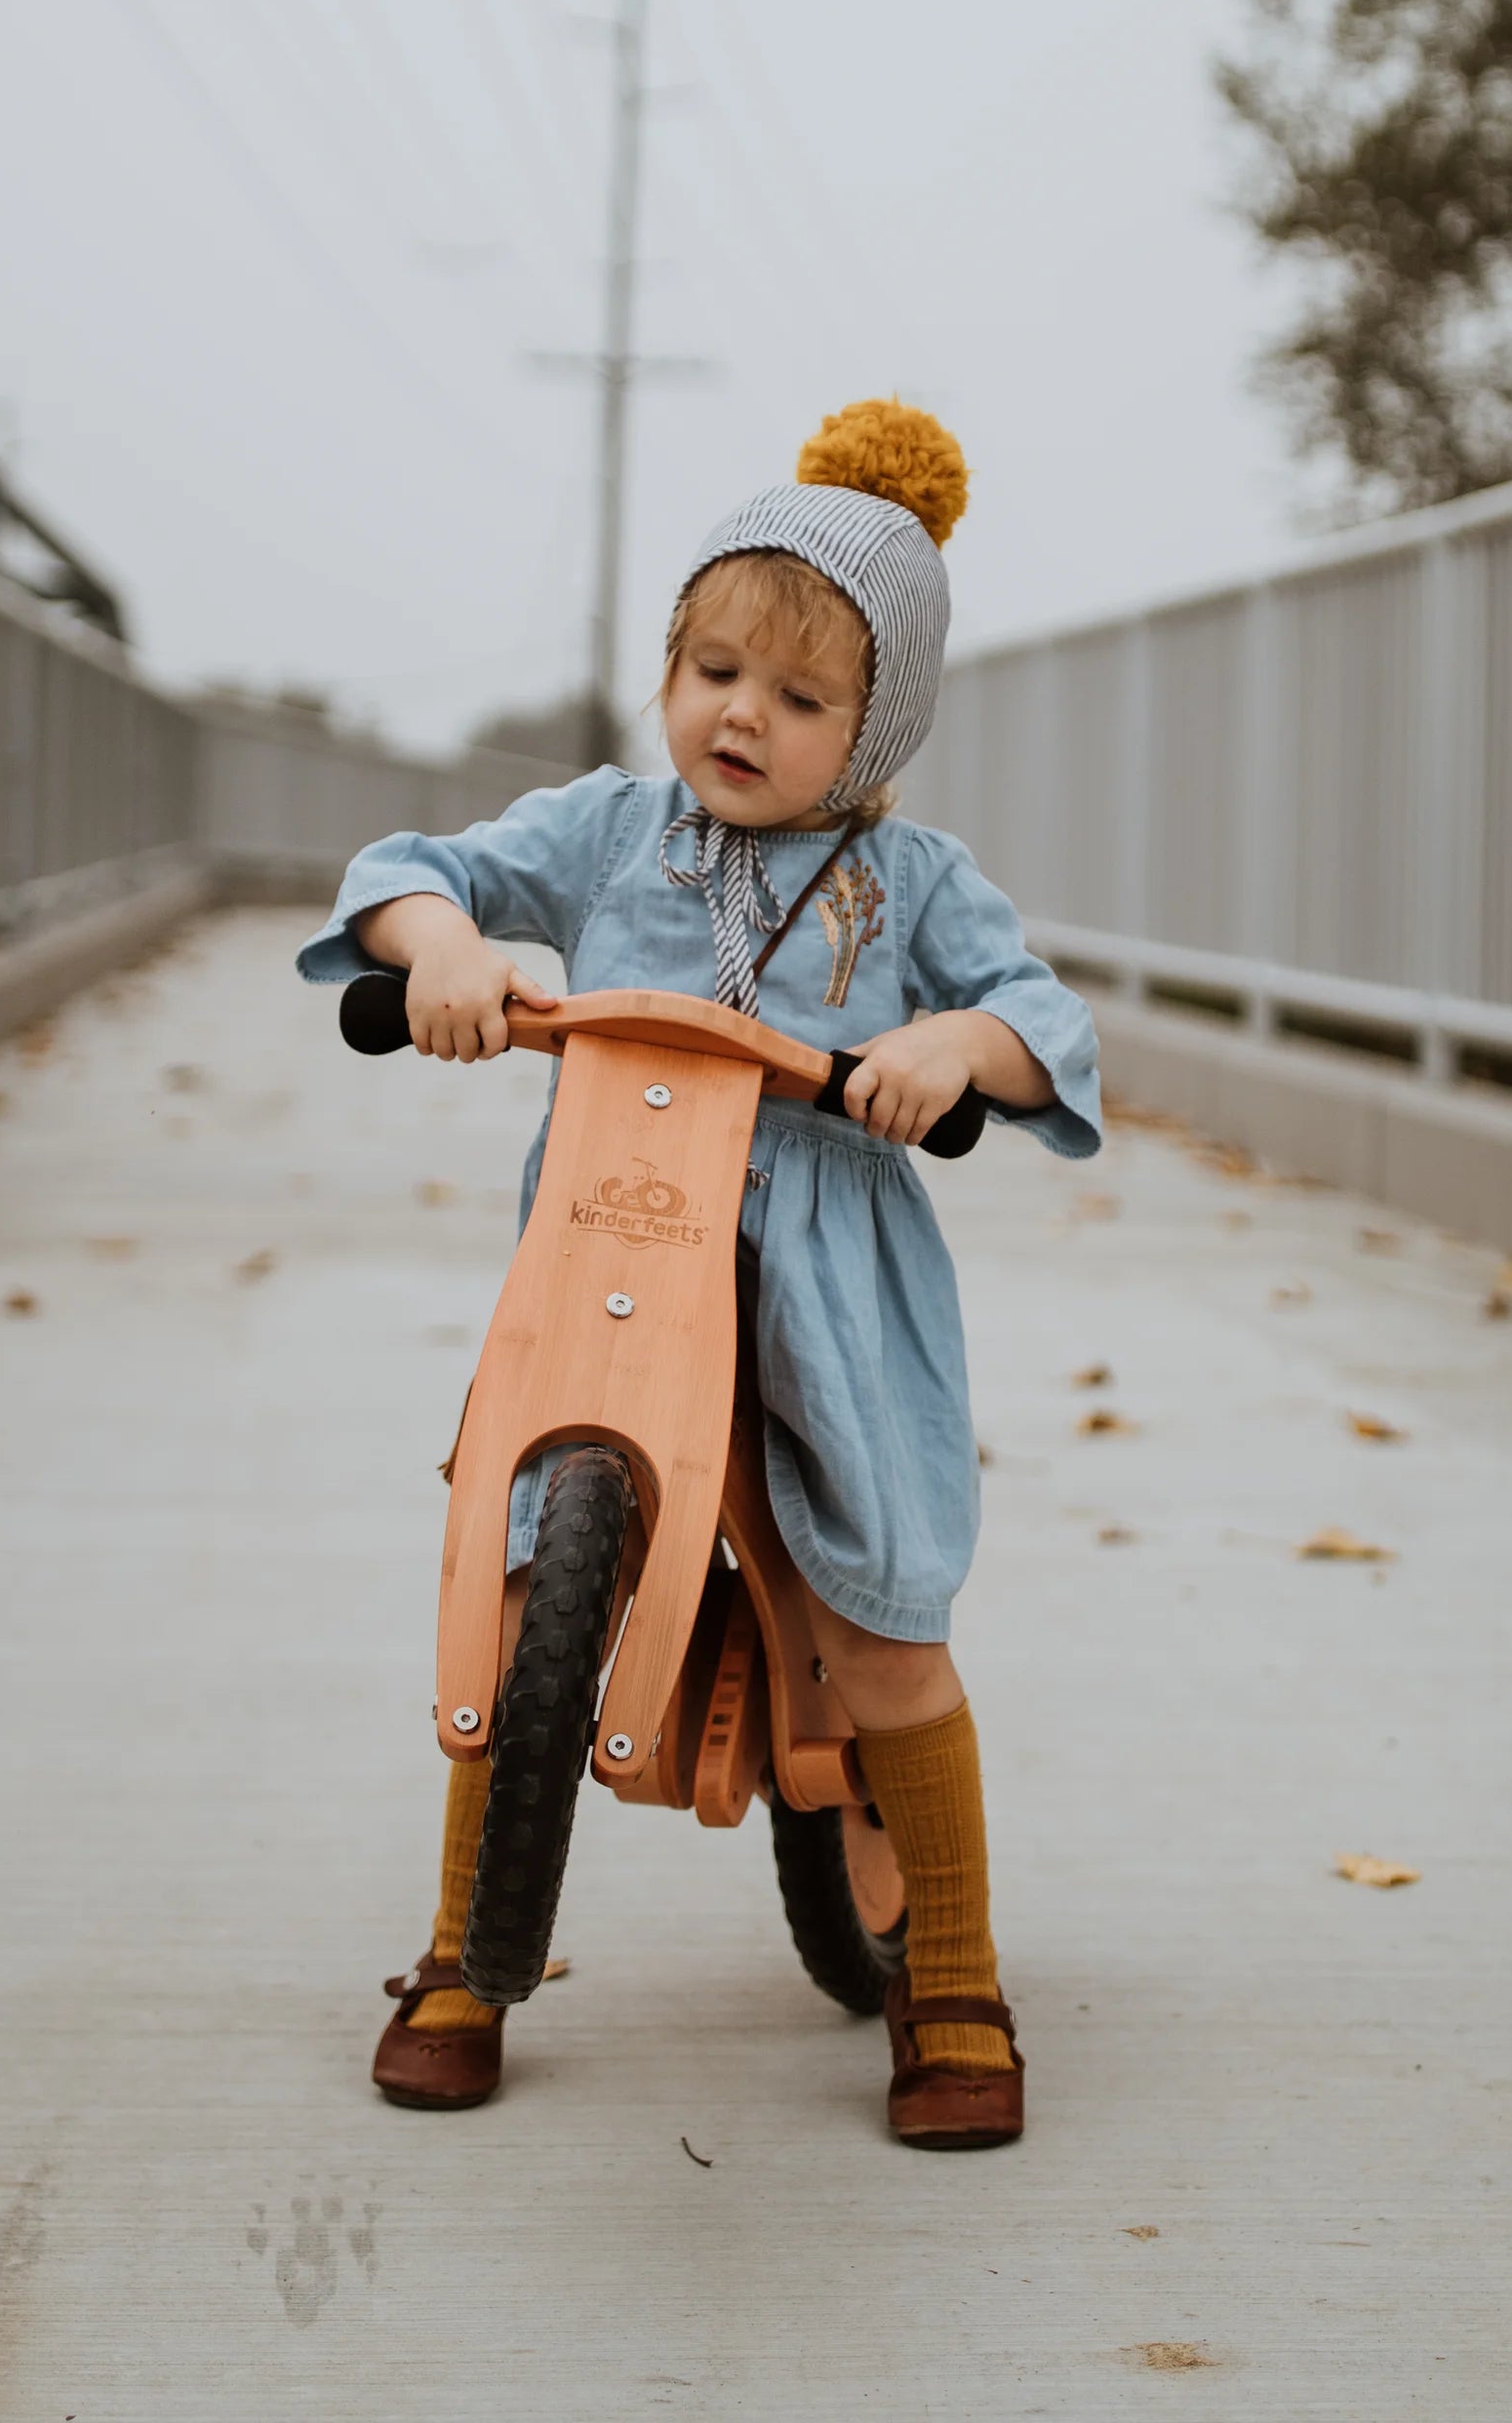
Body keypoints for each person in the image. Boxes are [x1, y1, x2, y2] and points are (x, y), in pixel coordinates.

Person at [296, 398, 1101, 2148]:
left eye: (802, 697)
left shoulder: (909, 879)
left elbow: (1043, 1021)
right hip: (611, 1238)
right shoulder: (610, 831)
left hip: (825, 1282)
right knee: (520, 1584)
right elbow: (410, 873)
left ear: (875, 730)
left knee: (879, 1624)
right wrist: (445, 951)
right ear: (668, 669)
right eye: (714, 669)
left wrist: (951, 1048)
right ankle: (464, 1953)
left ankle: (952, 1969)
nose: (744, 713)